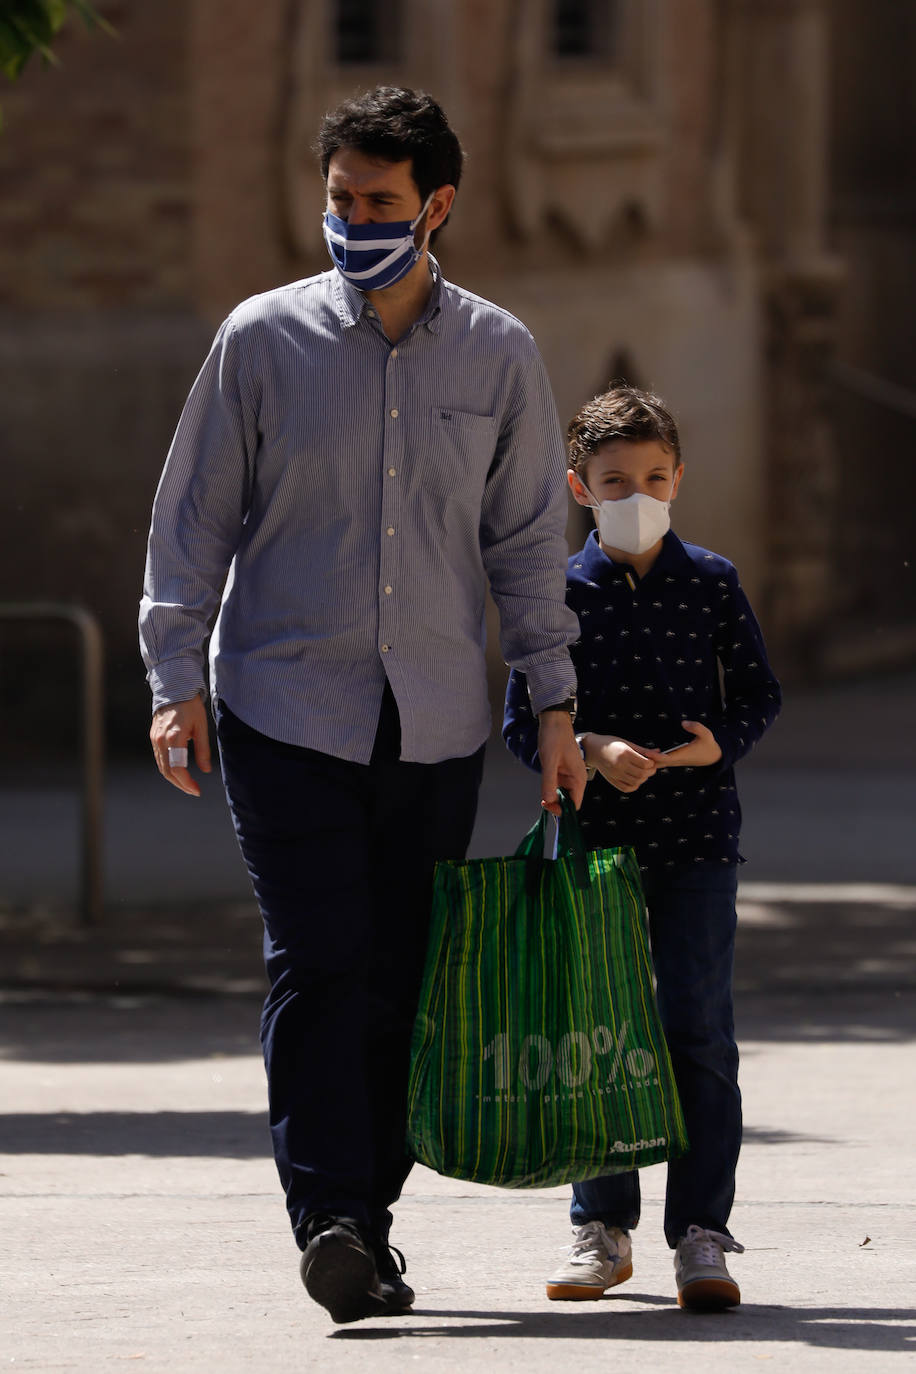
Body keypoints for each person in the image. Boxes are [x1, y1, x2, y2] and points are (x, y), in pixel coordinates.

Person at [139, 85, 586, 1325]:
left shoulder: (499, 353)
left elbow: (525, 548)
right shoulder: (260, 340)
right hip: (284, 704)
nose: (351, 221)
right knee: (319, 959)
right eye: (339, 198)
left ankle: (367, 1225)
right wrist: (176, 682)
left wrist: (553, 703)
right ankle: (328, 1214)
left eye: (378, 203)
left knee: (403, 974)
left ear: (436, 206)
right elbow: (193, 522)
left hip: (434, 714)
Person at [503, 384, 781, 1311]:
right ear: (580, 486)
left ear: (679, 479)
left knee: (697, 1030)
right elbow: (519, 721)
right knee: (595, 1036)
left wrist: (716, 746)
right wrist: (584, 746)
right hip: (594, 846)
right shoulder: (554, 590)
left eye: (655, 477)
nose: (639, 493)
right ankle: (601, 1226)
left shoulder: (711, 580)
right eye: (616, 479)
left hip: (697, 837)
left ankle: (701, 1231)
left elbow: (757, 696)